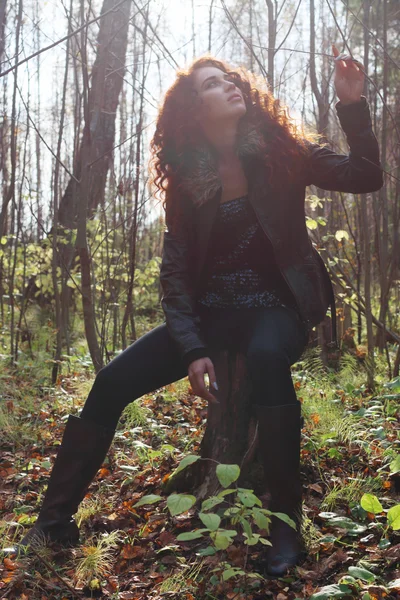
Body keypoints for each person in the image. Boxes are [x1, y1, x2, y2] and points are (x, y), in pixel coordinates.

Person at [4, 45, 382, 577]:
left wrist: (352, 105)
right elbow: (176, 277)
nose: (230, 84)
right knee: (111, 381)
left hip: (277, 306)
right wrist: (192, 348)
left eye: (230, 78)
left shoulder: (285, 150)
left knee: (267, 355)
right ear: (193, 110)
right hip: (209, 313)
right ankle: (54, 521)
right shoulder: (188, 179)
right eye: (212, 83)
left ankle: (286, 528)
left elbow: (367, 176)